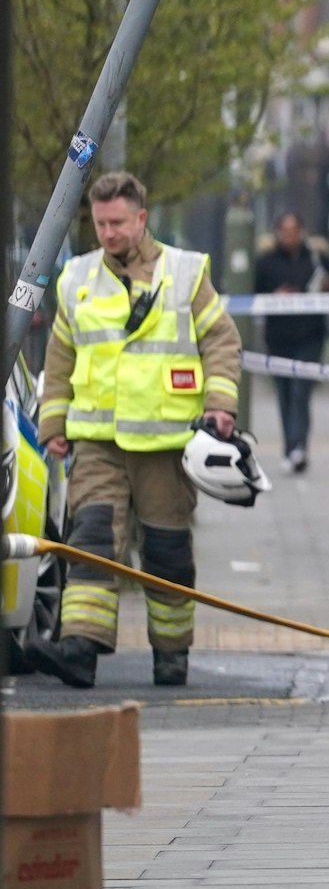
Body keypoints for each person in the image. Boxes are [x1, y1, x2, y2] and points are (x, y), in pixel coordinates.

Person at [33, 171, 243, 689]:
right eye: (101, 223)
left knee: (167, 552)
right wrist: (52, 422)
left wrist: (220, 406)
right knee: (91, 543)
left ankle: (171, 655)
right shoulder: (77, 277)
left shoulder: (186, 272)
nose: (108, 233)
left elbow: (220, 340)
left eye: (118, 223)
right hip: (97, 441)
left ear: (142, 219)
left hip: (166, 443)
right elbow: (59, 358)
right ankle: (79, 649)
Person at [254, 212, 329, 473]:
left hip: (310, 338)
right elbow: (252, 293)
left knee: (300, 393)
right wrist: (274, 296)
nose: (290, 236)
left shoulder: (316, 258)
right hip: (278, 340)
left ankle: (299, 447)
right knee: (284, 395)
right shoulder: (266, 263)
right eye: (284, 231)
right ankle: (289, 447)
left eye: (294, 230)